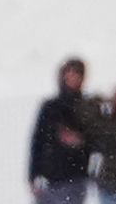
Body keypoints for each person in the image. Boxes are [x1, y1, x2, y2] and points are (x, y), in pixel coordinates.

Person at [30, 58, 93, 204]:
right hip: (48, 180)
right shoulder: (49, 106)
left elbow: (96, 141)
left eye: (76, 74)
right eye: (68, 73)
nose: (72, 78)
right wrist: (33, 176)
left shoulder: (87, 106)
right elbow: (37, 142)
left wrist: (79, 140)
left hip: (75, 180)